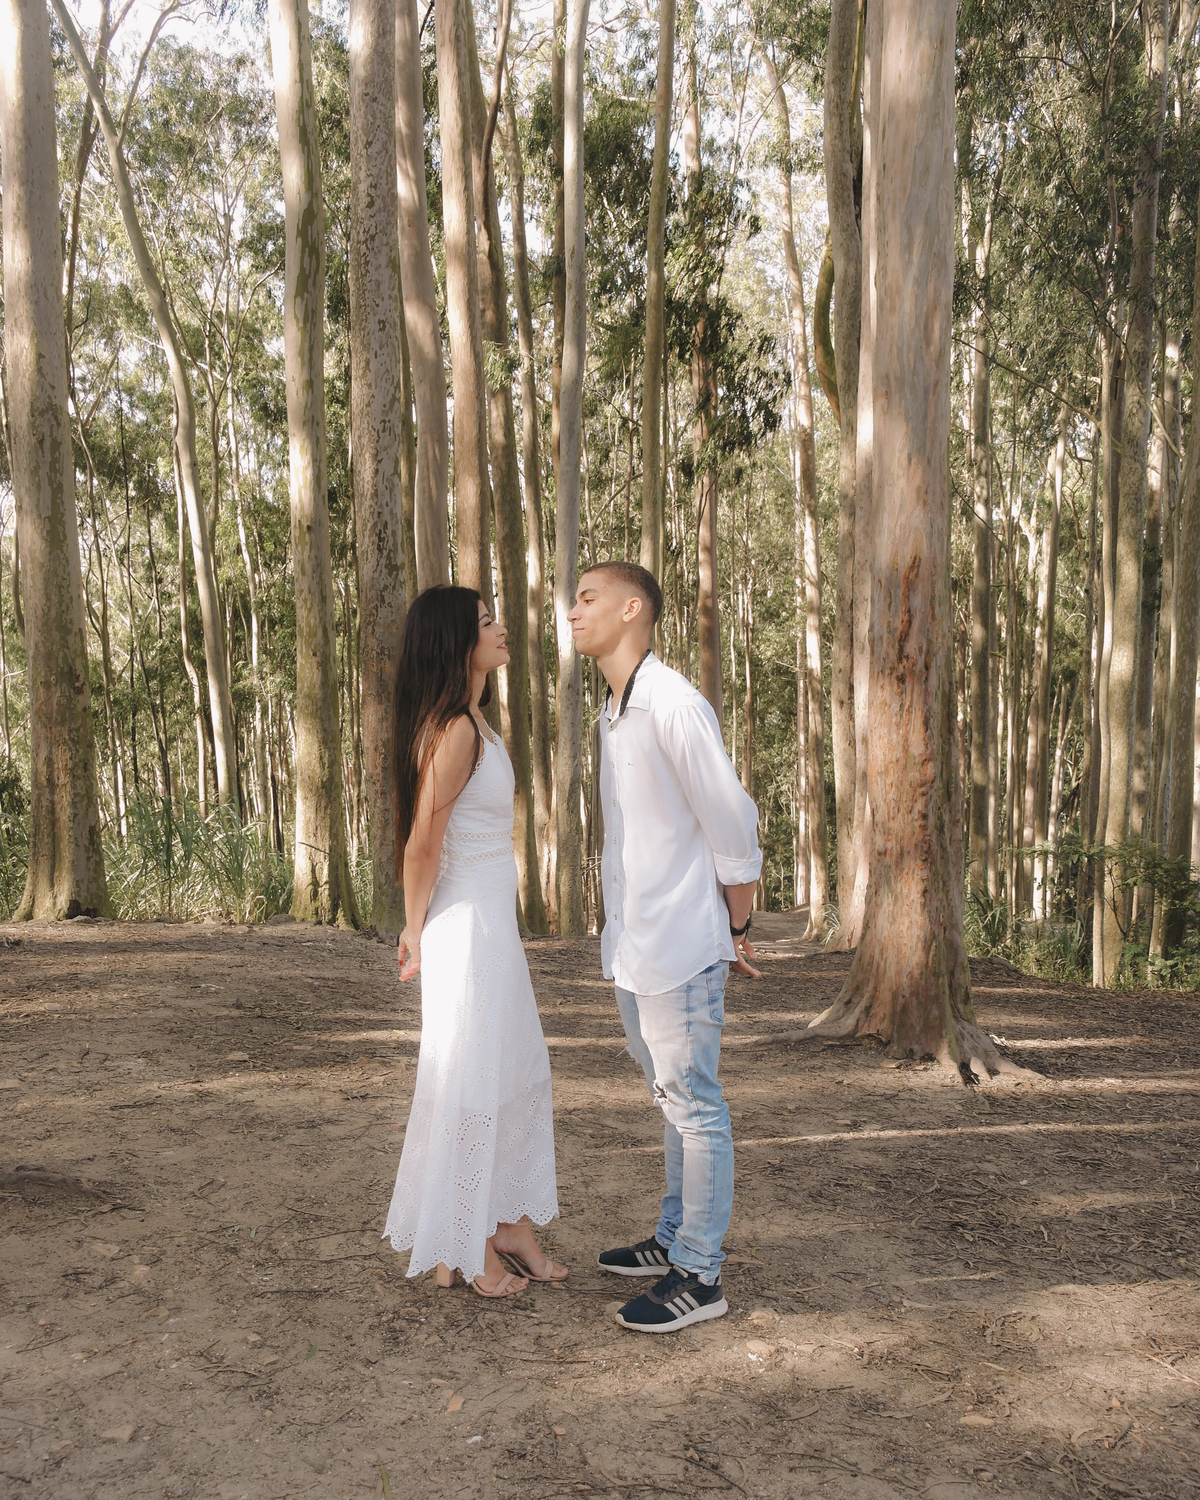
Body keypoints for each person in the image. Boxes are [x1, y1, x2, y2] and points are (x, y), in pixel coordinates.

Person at [569, 561, 762, 1333]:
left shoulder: (674, 705)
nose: (573, 613)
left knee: (695, 1107)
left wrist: (736, 927)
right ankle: (674, 1238)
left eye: (586, 600)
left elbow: (733, 823)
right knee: (669, 1101)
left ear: (631, 607)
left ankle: (700, 1276)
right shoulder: (616, 712)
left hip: (681, 944)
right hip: (635, 945)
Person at [382, 586, 567, 1298]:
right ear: (457, 640)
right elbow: (422, 844)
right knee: (472, 1078)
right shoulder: (456, 730)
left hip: (492, 924)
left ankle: (508, 1223)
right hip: (465, 929)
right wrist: (413, 929)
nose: (501, 628)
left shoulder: (476, 722)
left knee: (516, 1066)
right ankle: (465, 1241)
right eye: (487, 621)